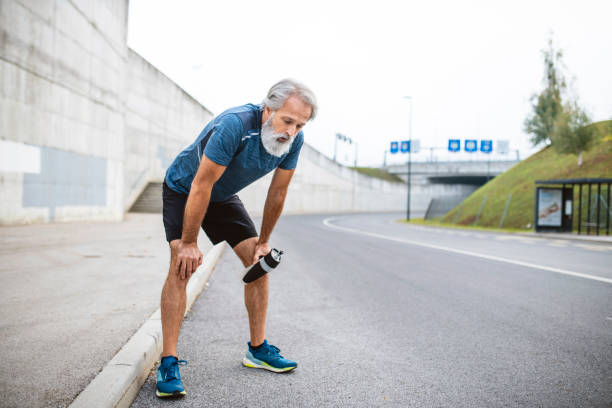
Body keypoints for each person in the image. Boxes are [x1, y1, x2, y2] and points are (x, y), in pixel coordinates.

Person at [156, 79, 317, 398]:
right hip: (185, 188)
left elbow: (279, 191)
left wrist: (263, 243)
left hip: (222, 195)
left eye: (300, 124)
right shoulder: (235, 125)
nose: (292, 131)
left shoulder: (293, 141)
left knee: (260, 265)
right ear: (269, 108)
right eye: (287, 120)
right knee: (181, 265)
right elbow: (201, 184)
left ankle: (257, 350)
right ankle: (168, 361)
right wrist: (188, 243)